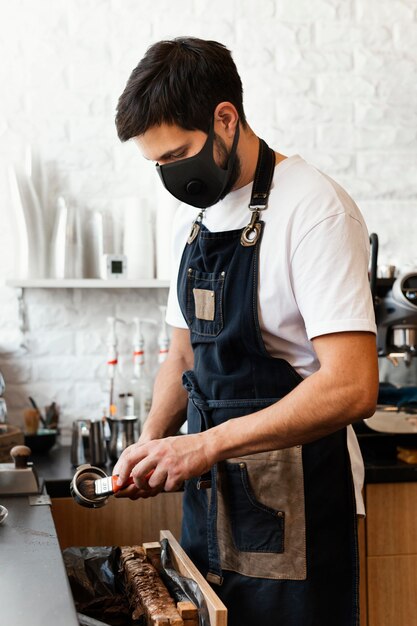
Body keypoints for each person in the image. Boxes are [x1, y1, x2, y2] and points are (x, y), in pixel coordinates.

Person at [114, 37, 379, 626]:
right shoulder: (192, 219)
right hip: (210, 501)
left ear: (226, 119)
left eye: (178, 155)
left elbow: (353, 386)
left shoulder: (316, 210)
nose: (172, 176)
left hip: (299, 509)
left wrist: (203, 445)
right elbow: (182, 351)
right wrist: (154, 440)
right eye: (157, 165)